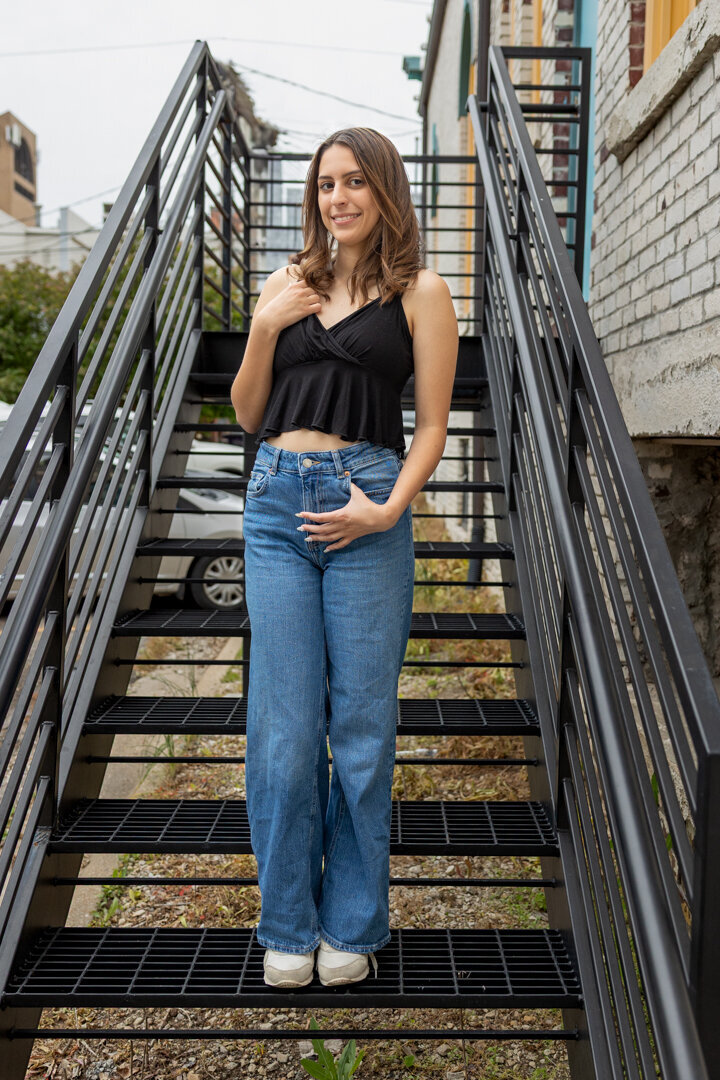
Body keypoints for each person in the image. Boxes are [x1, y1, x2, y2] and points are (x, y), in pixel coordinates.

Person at [230, 126, 458, 989]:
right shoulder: (287, 284)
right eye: (326, 184)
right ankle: (288, 922)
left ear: (385, 192)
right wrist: (262, 326)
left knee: (360, 732)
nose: (339, 198)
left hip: (367, 499)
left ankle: (353, 925)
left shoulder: (422, 292)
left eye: (356, 182)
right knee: (284, 734)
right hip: (276, 505)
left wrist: (389, 509)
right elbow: (249, 412)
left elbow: (432, 424)